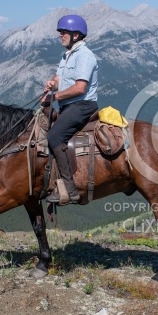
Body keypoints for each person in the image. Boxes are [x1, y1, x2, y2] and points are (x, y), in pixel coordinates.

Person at [42, 14, 98, 204]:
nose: (60, 35)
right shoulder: (67, 55)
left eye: (64, 32)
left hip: (82, 105)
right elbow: (59, 79)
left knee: (55, 137)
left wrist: (54, 96)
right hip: (69, 105)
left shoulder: (84, 56)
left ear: (76, 35)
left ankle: (70, 189)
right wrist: (52, 83)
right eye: (60, 32)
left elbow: (80, 88)